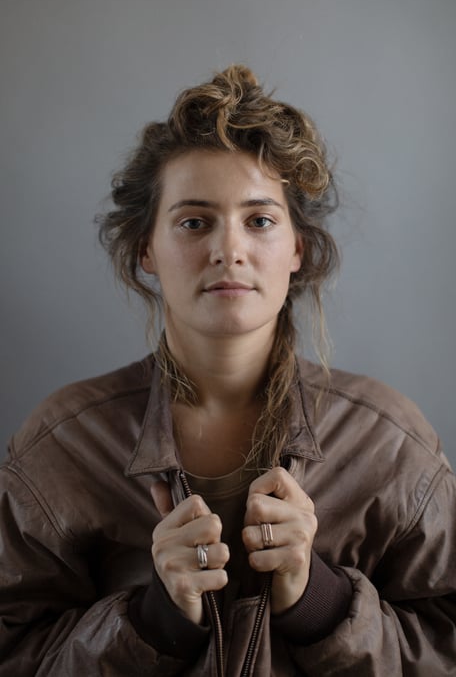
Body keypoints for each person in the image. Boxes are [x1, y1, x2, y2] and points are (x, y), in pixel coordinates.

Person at [0, 65, 455, 677]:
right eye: (194, 222)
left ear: (298, 247)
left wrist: (319, 598)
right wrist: (153, 620)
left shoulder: (391, 443)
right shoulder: (62, 444)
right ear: (146, 250)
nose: (228, 250)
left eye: (260, 220)